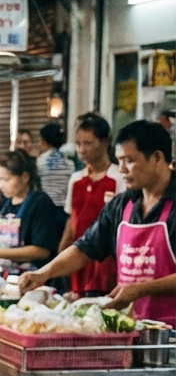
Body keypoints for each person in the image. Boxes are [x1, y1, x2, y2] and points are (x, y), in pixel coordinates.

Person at [22, 122, 176, 323]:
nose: (121, 170)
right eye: (119, 161)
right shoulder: (122, 205)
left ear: (157, 157)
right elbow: (84, 248)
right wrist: (44, 273)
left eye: (129, 161)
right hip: (130, 325)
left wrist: (140, 289)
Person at [0, 150, 63, 268]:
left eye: (5, 179)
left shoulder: (40, 203)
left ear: (25, 177)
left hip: (31, 276)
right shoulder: (5, 201)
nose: (0, 185)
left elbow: (42, 251)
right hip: (5, 274)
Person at [61, 115, 123, 295]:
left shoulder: (119, 178)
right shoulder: (76, 179)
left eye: (87, 143)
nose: (81, 149)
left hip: (105, 261)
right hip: (77, 256)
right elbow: (72, 218)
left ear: (105, 142)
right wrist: (63, 249)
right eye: (78, 144)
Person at [37, 121, 77, 212]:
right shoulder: (69, 162)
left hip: (45, 208)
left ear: (44, 141)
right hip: (64, 209)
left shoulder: (41, 162)